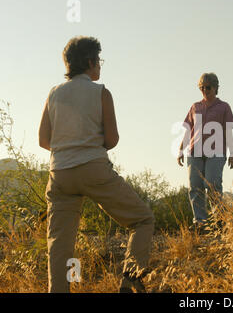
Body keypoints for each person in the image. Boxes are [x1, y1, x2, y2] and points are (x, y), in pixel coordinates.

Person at [38, 36, 155, 293]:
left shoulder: (54, 93)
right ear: (90, 62)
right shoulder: (101, 92)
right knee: (142, 220)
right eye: (99, 60)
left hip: (60, 174)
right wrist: (86, 144)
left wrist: (67, 146)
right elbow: (112, 139)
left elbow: (43, 140)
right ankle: (129, 284)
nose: (100, 66)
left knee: (59, 245)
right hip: (94, 169)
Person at [177, 73, 233, 230]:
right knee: (195, 186)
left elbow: (229, 131)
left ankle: (219, 221)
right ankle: (200, 222)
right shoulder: (195, 106)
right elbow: (188, 129)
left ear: (216, 88)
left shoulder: (224, 107)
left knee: (212, 184)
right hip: (195, 151)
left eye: (207, 87)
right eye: (201, 87)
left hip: (217, 151)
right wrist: (181, 149)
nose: (204, 90)